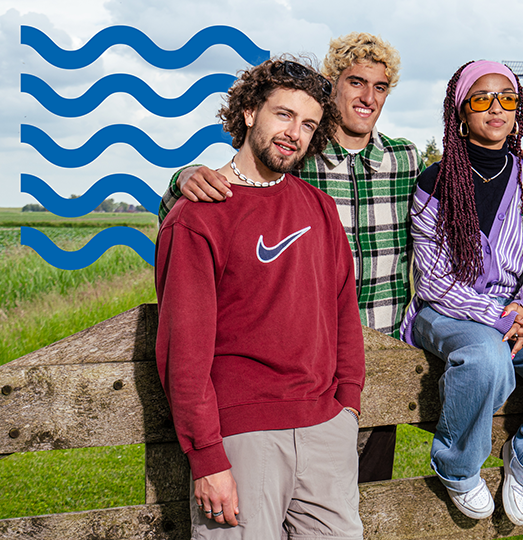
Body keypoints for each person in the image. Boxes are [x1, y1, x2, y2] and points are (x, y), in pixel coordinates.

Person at [157, 33, 523, 482]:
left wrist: (520, 154)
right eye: (356, 83)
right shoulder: (299, 155)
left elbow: (467, 176)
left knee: (365, 494)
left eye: (380, 87)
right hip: (312, 357)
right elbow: (234, 183)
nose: (368, 97)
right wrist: (186, 176)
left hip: (385, 348)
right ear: (332, 85)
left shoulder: (404, 160)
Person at [154, 56, 365, 539]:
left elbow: (342, 313)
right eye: (284, 114)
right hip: (242, 436)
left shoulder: (319, 207)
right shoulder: (198, 216)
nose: (295, 132)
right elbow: (183, 352)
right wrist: (207, 457)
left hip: (325, 429)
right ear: (250, 112)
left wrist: (347, 405)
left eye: (309, 123)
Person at [400, 60, 523, 526]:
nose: (496, 108)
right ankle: (457, 465)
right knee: (487, 358)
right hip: (447, 311)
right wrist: (503, 317)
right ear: (461, 112)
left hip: (519, 313)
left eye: (508, 98)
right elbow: (435, 279)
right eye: (482, 99)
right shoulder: (435, 183)